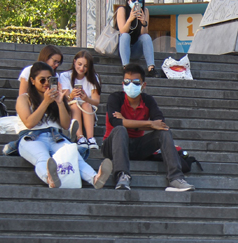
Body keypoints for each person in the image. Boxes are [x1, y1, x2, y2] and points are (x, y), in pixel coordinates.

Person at [15, 62, 112, 189]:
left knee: (74, 156)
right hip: (31, 137)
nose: (46, 83)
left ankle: (95, 178)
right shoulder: (24, 98)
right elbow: (29, 123)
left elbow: (65, 125)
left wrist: (60, 103)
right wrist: (45, 102)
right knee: (42, 157)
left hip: (56, 136)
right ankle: (50, 178)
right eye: (42, 80)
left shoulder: (57, 98)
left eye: (50, 79)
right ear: (32, 81)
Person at [101, 64, 194, 192]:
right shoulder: (115, 98)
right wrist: (149, 124)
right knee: (120, 130)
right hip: (112, 146)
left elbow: (161, 123)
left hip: (138, 146)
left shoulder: (148, 100)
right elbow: (116, 123)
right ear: (123, 84)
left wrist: (127, 121)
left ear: (143, 85)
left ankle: (175, 178)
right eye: (127, 82)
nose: (131, 85)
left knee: (164, 132)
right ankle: (122, 176)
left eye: (135, 82)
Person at [59, 51, 102, 149]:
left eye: (85, 66)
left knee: (86, 104)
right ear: (74, 62)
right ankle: (80, 137)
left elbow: (96, 101)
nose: (82, 68)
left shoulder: (93, 78)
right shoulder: (65, 76)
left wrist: (86, 98)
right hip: (72, 108)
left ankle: (90, 138)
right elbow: (64, 98)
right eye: (79, 64)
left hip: (88, 109)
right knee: (74, 105)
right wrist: (71, 95)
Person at [115, 0, 156, 77]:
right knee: (125, 36)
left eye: (139, 0)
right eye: (133, 0)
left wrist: (143, 22)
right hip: (122, 48)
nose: (136, 2)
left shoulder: (145, 11)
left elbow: (144, 33)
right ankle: (126, 67)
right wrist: (130, 19)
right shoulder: (122, 10)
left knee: (146, 37)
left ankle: (151, 68)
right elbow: (122, 31)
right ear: (128, 1)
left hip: (136, 49)